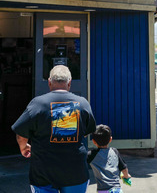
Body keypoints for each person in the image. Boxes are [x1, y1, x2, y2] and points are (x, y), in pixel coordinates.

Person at [12, 65, 96, 193]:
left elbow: (21, 132)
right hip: (75, 172)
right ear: (69, 83)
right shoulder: (82, 103)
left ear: (49, 82)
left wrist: (23, 147)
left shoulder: (38, 104)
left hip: (43, 173)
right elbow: (87, 131)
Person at [87, 124, 131, 193]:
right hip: (117, 189)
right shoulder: (115, 151)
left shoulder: (91, 155)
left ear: (93, 141)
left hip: (103, 190)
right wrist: (126, 176)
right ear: (110, 139)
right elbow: (124, 168)